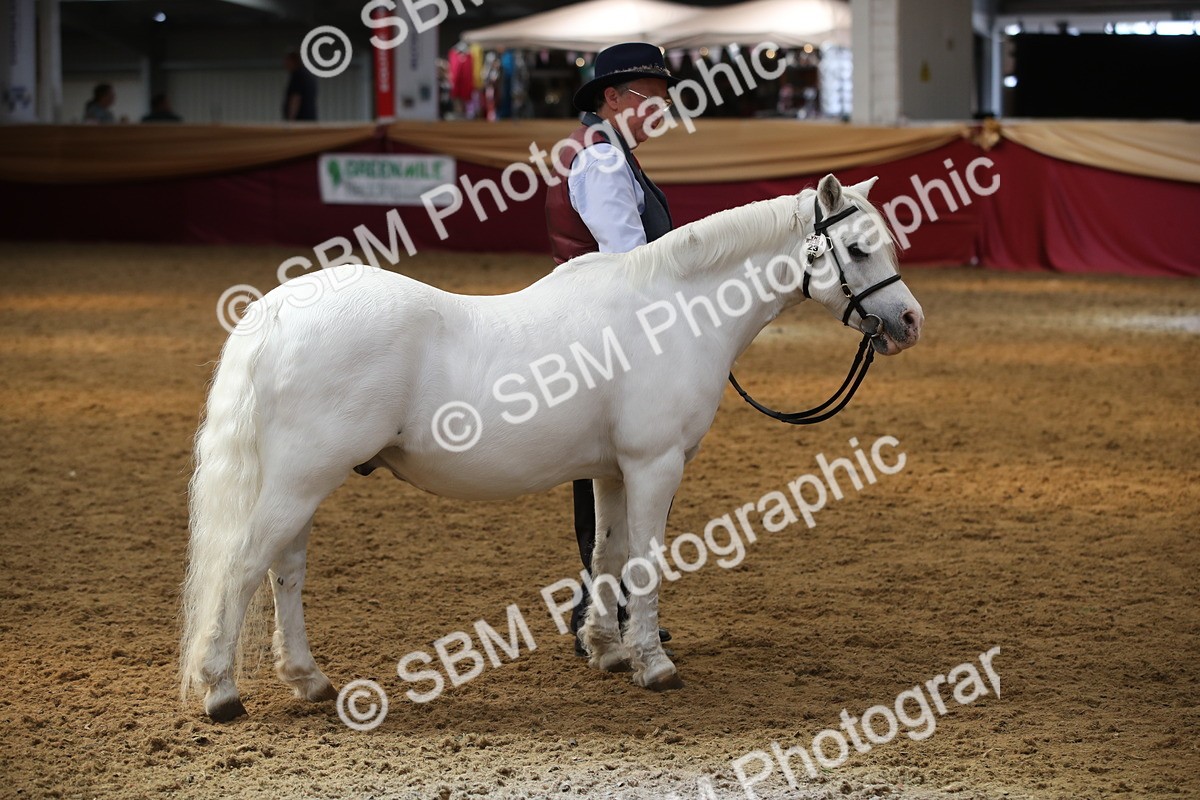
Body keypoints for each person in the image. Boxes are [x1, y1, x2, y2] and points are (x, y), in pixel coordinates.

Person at [544, 41, 679, 656]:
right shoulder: (601, 162)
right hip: (602, 331)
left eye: (666, 101)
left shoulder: (611, 155)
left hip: (602, 324)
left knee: (611, 472)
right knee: (606, 471)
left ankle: (606, 604)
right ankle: (603, 608)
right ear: (611, 99)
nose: (662, 112)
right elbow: (632, 261)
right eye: (653, 100)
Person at [283, 52, 318, 121]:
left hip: (300, 120)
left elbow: (296, 98)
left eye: (287, 60)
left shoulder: (298, 75)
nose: (285, 63)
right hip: (310, 119)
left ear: (293, 61)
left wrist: (291, 120)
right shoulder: (307, 75)